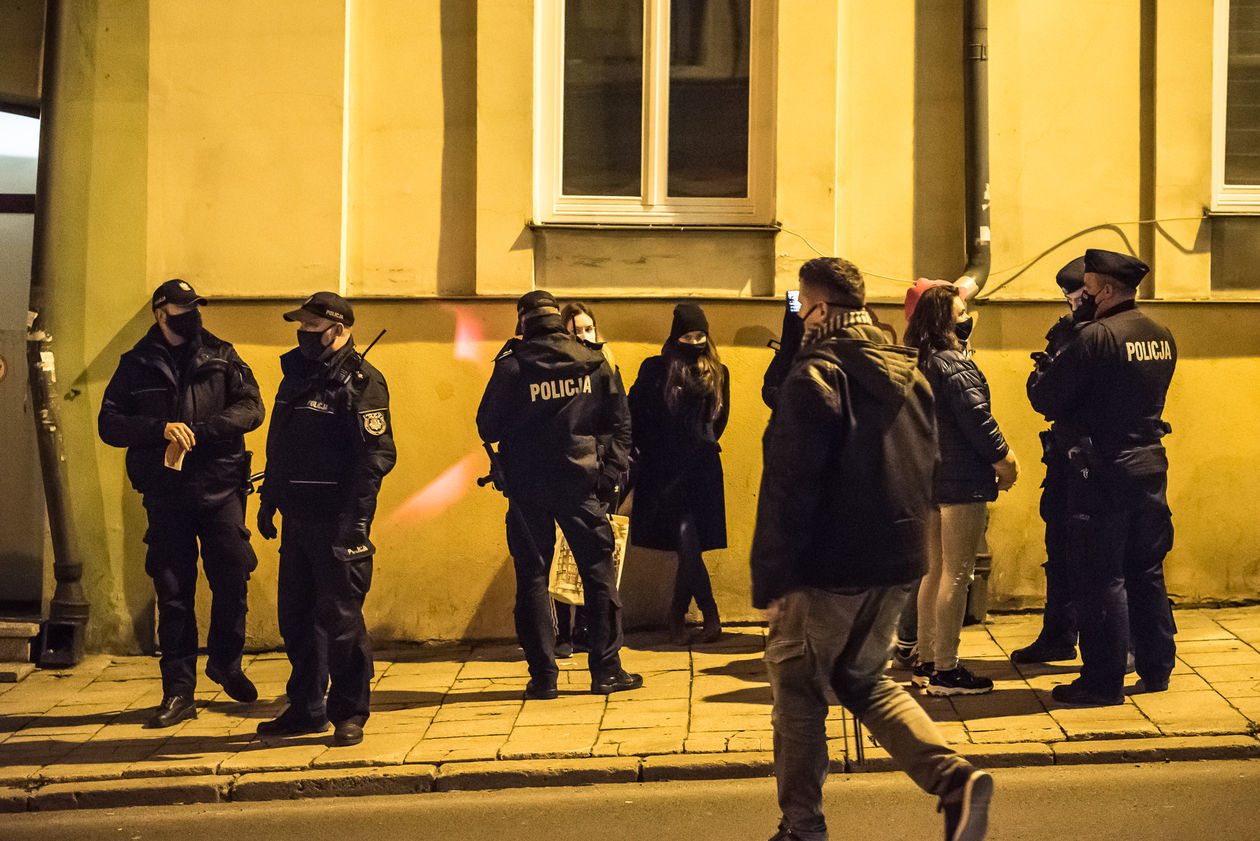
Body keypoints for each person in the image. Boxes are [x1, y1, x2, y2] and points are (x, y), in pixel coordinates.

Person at [751, 257, 993, 841]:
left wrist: (773, 579)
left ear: (822, 308)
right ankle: (954, 780)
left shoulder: (816, 375)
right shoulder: (907, 369)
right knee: (862, 678)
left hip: (828, 564)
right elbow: (923, 460)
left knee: (800, 693)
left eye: (802, 309)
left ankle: (802, 827)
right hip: (897, 557)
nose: (801, 320)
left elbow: (790, 485)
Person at [98, 279, 264, 727]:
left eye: (195, 307)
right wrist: (161, 428)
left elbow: (252, 407)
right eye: (182, 308)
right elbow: (109, 424)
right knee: (174, 594)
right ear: (160, 313)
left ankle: (225, 662)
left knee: (232, 577)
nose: (191, 315)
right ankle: (178, 692)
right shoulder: (136, 364)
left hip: (221, 488)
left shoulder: (222, 355)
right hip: (166, 495)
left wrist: (206, 430)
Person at [1028, 249, 1177, 706]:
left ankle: (1102, 680)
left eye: (1088, 289)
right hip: (1149, 465)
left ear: (1108, 291)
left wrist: (1041, 373)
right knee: (1146, 570)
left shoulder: (1095, 337)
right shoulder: (1161, 335)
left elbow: (1047, 399)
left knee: (1101, 576)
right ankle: (1156, 668)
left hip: (1102, 471)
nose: (1084, 297)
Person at [477, 290, 641, 698]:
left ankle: (543, 677)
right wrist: (611, 476)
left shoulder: (513, 367)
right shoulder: (593, 359)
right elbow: (620, 423)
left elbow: (487, 427)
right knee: (598, 576)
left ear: (523, 324)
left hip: (527, 487)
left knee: (532, 579)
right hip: (583, 483)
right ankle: (606, 671)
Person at [255, 291, 396, 746]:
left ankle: (350, 712)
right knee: (297, 619)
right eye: (301, 327)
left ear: (339, 330)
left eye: (312, 329)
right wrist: (269, 500)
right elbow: (280, 442)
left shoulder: (362, 381)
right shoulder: (297, 375)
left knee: (341, 621)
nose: (302, 335)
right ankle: (305, 707)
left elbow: (376, 457)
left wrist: (356, 522)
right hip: (297, 519)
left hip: (338, 521)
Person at [905, 283, 1019, 696]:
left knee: (933, 573)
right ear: (945, 319)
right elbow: (978, 420)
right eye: (961, 310)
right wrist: (1006, 462)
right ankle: (946, 670)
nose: (967, 316)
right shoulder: (954, 363)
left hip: (929, 478)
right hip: (960, 480)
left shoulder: (917, 361)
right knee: (958, 573)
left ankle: (925, 661)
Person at [628, 303, 730, 645]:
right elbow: (637, 413)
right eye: (688, 335)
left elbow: (721, 421)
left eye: (700, 335)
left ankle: (680, 614)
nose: (695, 341)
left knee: (690, 542)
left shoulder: (718, 371)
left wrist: (701, 440)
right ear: (676, 335)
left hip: (701, 471)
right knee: (688, 541)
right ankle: (705, 614)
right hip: (664, 471)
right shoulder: (656, 370)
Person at [1010, 256, 1090, 664]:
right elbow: (1040, 392)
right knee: (1058, 549)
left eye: (1078, 296)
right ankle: (1058, 633)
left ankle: (1121, 641)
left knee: (1102, 554)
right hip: (1062, 457)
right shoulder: (1065, 332)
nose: (1074, 304)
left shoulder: (1102, 333)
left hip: (1095, 460)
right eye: (1069, 298)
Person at [550, 301, 621, 658]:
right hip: (566, 475)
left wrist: (613, 470)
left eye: (589, 328)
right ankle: (565, 631)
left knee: (596, 562)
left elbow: (619, 422)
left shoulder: (606, 364)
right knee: (561, 557)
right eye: (576, 329)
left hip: (600, 474)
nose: (584, 335)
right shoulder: (556, 366)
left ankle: (592, 631)